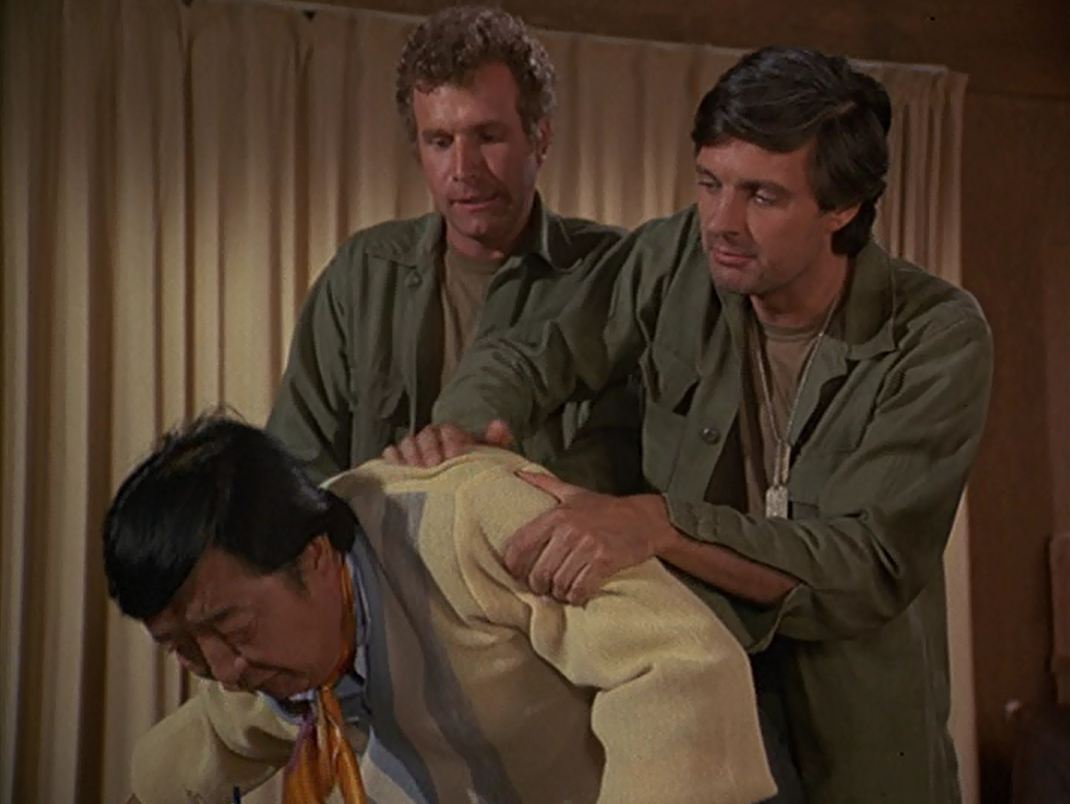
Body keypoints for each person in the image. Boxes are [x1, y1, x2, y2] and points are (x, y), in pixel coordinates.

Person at [391, 46, 994, 803]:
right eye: (710, 183)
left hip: (854, 732)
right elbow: (535, 351)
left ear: (842, 207)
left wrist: (661, 525)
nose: (722, 222)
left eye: (762, 196)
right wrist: (458, 430)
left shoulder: (935, 335)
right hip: (696, 700)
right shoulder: (678, 256)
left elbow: (865, 563)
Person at [104, 415, 777, 803]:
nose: (224, 670)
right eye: (184, 650)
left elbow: (680, 666)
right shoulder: (267, 654)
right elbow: (216, 735)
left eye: (230, 629)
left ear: (313, 559)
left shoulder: (470, 519)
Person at [265, 4, 639, 494]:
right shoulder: (363, 276)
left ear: (540, 139)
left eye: (487, 136)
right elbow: (295, 468)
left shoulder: (608, 274)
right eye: (440, 141)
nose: (463, 169)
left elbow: (630, 462)